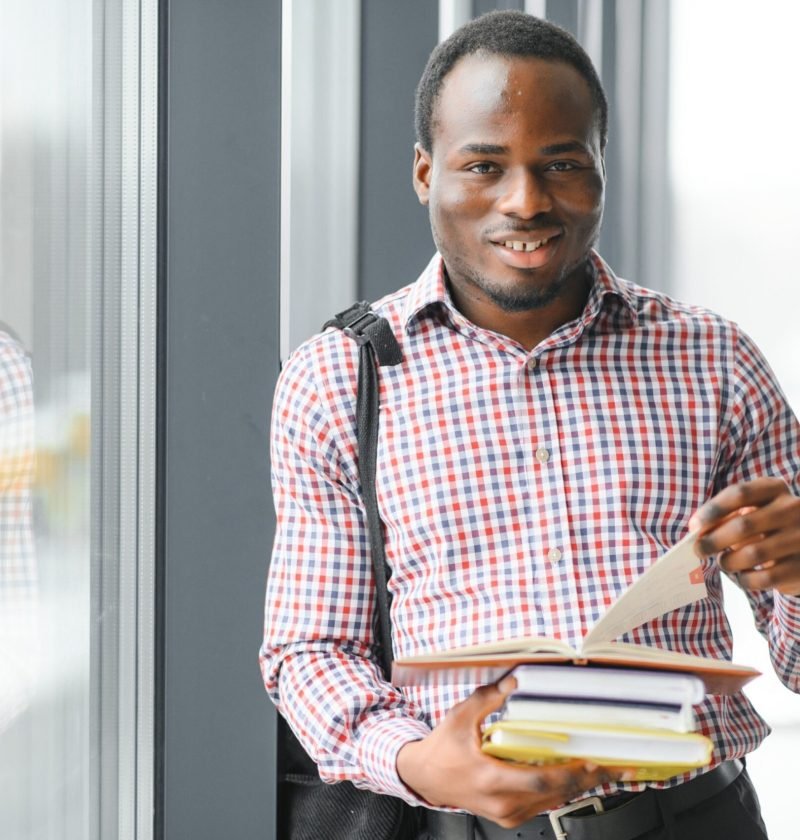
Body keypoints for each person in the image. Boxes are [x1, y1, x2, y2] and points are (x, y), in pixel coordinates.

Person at [261, 10, 799, 838]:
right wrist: (416, 761)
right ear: (423, 172)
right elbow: (308, 651)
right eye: (484, 165)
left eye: (562, 164)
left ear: (601, 169)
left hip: (697, 817)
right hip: (455, 825)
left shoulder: (716, 360)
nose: (525, 201)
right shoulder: (337, 377)